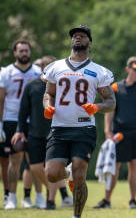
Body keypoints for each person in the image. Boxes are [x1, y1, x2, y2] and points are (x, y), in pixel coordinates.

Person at [43, 25, 116, 218]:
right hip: (59, 128)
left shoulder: (99, 71)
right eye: (75, 36)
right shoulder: (56, 67)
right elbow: (48, 94)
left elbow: (111, 102)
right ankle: (66, 173)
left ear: (89, 42)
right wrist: (47, 106)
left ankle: (77, 216)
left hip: (84, 128)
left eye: (82, 36)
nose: (77, 38)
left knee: (80, 173)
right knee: (51, 174)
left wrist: (97, 107)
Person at [94, 56, 136, 209]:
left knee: (135, 164)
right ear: (128, 69)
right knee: (114, 165)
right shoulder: (116, 88)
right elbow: (110, 110)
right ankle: (107, 200)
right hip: (120, 132)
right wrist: (107, 130)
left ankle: (133, 200)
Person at [12, 55, 73, 210]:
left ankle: (50, 201)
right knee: (34, 168)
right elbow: (23, 111)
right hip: (35, 133)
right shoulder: (31, 86)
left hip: (55, 133)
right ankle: (59, 189)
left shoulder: (61, 86)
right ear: (43, 68)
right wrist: (20, 131)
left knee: (51, 168)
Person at [0, 40, 42, 209]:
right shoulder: (6, 72)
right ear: (15, 53)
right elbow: (1, 100)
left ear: (30, 52)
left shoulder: (38, 72)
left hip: (32, 121)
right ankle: (11, 197)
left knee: (35, 161)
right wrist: (0, 123)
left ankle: (35, 197)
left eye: (26, 50)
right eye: (21, 51)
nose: (24, 53)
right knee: (14, 160)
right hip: (12, 119)